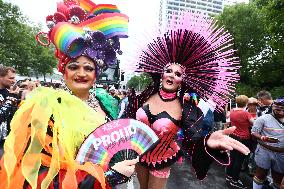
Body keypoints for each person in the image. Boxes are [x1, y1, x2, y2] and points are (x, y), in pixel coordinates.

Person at [0, 1, 136, 188]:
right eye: (73, 67)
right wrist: (108, 177)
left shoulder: (107, 104)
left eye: (88, 68)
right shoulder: (44, 108)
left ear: (96, 74)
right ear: (64, 72)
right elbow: (37, 174)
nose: (81, 73)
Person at [125, 13, 250, 189]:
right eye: (169, 70)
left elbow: (194, 140)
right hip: (138, 153)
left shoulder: (187, 108)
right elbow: (126, 122)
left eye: (178, 74)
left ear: (182, 79)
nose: (172, 75)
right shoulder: (143, 96)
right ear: (161, 73)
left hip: (162, 158)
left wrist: (208, 142)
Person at [251, 97, 284, 189]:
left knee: (278, 178)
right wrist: (262, 137)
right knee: (260, 175)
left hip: (282, 154)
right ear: (273, 106)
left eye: (282, 107)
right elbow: (253, 132)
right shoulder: (263, 118)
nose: (279, 109)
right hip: (264, 150)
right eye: (277, 106)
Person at [225, 95, 254, 189]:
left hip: (233, 136)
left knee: (232, 158)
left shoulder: (232, 111)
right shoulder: (246, 113)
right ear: (246, 103)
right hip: (243, 138)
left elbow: (228, 120)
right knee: (239, 160)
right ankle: (234, 180)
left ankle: (229, 176)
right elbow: (254, 123)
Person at [0, 66, 19, 148]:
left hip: (7, 140)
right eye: (11, 78)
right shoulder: (11, 94)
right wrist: (11, 98)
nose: (14, 81)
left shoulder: (9, 92)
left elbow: (13, 115)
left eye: (14, 78)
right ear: (1, 77)